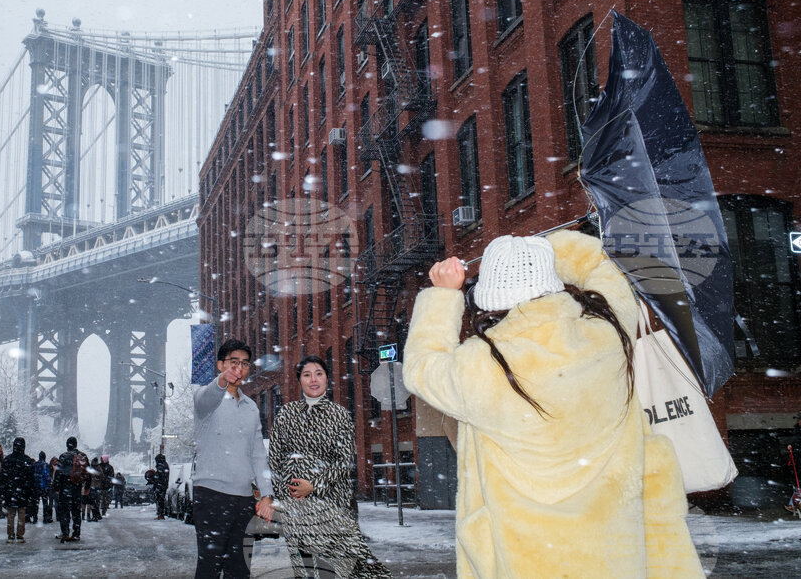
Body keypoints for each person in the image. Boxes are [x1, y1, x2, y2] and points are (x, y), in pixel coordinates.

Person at [403, 231, 704, 578]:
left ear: (489, 297)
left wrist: (443, 295)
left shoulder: (481, 366)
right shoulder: (608, 334)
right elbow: (603, 268)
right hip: (615, 552)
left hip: (526, 557)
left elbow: (421, 367)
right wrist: (547, 249)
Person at [268, 356, 391, 578]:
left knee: (337, 569)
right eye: (307, 375)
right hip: (296, 510)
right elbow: (275, 459)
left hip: (333, 506)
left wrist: (313, 485)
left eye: (319, 374)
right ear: (299, 380)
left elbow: (343, 461)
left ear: (327, 378)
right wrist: (287, 493)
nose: (313, 380)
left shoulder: (339, 415)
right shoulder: (286, 414)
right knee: (305, 569)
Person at [192, 338, 275, 579]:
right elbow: (207, 396)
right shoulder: (205, 401)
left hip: (243, 501)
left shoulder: (251, 407)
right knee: (209, 568)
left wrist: (267, 495)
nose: (239, 368)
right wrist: (222, 380)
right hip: (211, 496)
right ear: (220, 365)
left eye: (245, 363)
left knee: (239, 570)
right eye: (233, 362)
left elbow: (258, 454)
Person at [0, 437, 35, 543]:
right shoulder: (27, 460)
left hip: (10, 490)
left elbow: (3, 477)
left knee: (11, 514)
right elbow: (31, 478)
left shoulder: (7, 459)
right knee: (21, 513)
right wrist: (29, 491)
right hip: (23, 491)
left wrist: (4, 490)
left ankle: (10, 535)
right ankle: (20, 535)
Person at [54, 436, 89, 542]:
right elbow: (88, 473)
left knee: (64, 511)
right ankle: (76, 534)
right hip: (77, 487)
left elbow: (58, 473)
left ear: (67, 445)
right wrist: (87, 487)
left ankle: (65, 533)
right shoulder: (83, 456)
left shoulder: (63, 456)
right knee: (76, 511)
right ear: (76, 445)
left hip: (65, 487)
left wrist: (56, 486)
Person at [785, 412, 801, 513]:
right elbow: (794, 441)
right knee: (798, 485)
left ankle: (793, 504)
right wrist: (790, 445)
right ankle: (793, 504)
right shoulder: (797, 431)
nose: (799, 422)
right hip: (798, 460)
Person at [34, 451, 52, 524]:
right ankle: (45, 518)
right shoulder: (45, 464)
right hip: (44, 486)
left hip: (36, 486)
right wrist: (49, 481)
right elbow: (46, 474)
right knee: (45, 502)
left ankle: (35, 518)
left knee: (36, 502)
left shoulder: (35, 464)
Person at [153, 453, 170, 520]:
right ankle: (161, 514)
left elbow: (159, 476)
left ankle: (161, 514)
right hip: (163, 485)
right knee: (161, 500)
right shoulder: (165, 465)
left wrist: (155, 479)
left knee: (160, 500)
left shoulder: (161, 466)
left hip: (160, 486)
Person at [48, 456, 59, 521]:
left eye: (56, 461)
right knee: (51, 502)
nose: (55, 462)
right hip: (51, 486)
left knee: (57, 503)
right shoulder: (49, 468)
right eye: (54, 460)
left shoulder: (59, 468)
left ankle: (58, 516)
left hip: (56, 486)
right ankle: (50, 517)